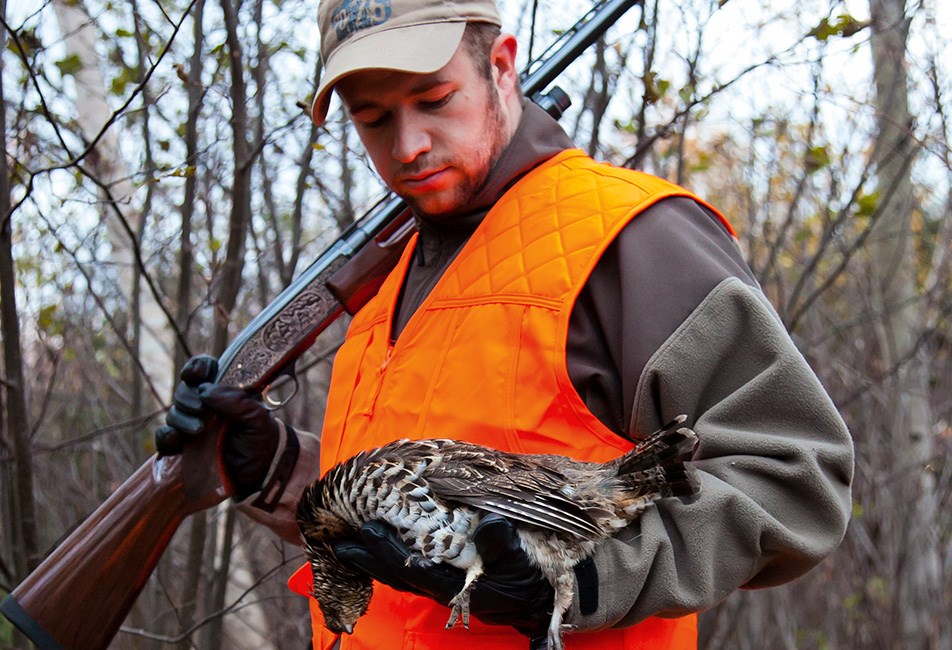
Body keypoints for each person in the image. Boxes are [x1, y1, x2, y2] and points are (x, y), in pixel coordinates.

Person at [157, 0, 855, 648]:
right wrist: (277, 469)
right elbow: (412, 529)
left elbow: (794, 478)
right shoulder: (388, 291)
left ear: (501, 68)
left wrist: (575, 576)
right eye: (373, 119)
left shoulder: (630, 240)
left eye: (434, 100)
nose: (407, 146)